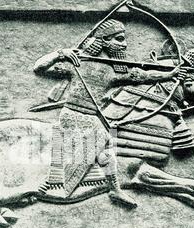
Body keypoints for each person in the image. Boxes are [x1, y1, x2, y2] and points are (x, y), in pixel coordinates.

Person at [34, 19, 185, 207]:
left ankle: (114, 190)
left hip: (92, 115)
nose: (124, 44)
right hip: (73, 113)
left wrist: (170, 74)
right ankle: (55, 182)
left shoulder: (113, 71)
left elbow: (144, 76)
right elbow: (39, 67)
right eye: (119, 39)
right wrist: (60, 53)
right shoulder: (77, 63)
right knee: (102, 137)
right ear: (104, 41)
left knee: (107, 147)